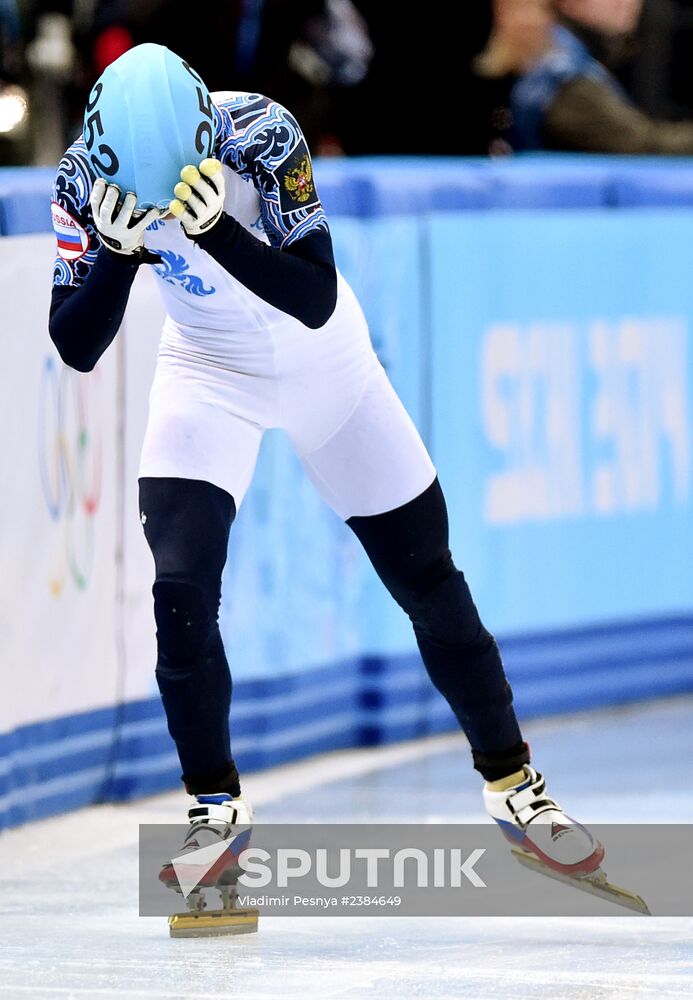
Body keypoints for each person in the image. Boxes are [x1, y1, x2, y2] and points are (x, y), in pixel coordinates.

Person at [48, 43, 603, 894]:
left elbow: (311, 297)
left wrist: (212, 232)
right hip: (207, 372)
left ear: (207, 133)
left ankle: (513, 786)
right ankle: (215, 820)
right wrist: (120, 256)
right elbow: (75, 346)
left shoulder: (264, 131)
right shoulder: (83, 178)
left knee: (428, 581)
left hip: (327, 366)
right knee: (180, 593)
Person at [476, 0, 693, 154]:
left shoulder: (583, 60)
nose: (629, 3)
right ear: (569, 4)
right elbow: (646, 146)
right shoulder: (565, 79)